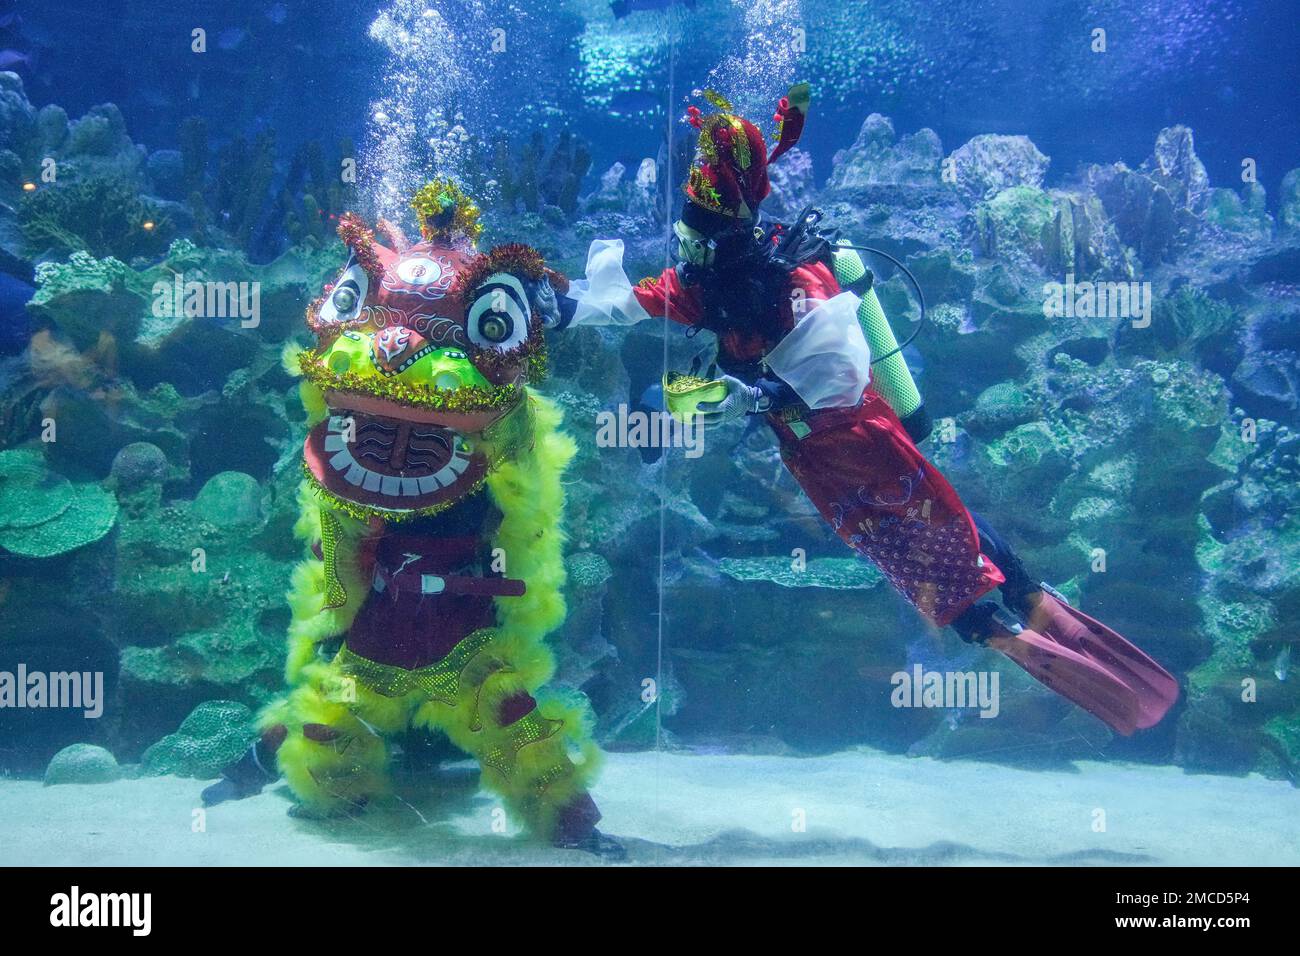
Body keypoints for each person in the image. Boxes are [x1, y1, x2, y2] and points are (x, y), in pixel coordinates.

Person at [560, 85, 1178, 735]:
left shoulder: (794, 277)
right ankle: (1007, 611)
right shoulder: (707, 282)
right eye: (686, 230)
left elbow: (839, 371)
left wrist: (754, 396)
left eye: (698, 234)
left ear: (728, 230)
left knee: (928, 536)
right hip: (811, 456)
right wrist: (574, 304)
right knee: (906, 545)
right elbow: (652, 297)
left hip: (860, 436)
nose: (688, 246)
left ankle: (1012, 610)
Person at [203, 180, 623, 858]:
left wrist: (475, 580)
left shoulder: (502, 448)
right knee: (325, 710)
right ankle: (266, 771)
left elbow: (519, 546)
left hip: (466, 637)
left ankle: (577, 826)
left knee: (514, 718)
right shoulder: (351, 445)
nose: (401, 357)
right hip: (372, 636)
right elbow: (337, 542)